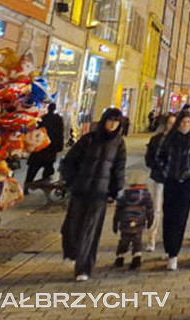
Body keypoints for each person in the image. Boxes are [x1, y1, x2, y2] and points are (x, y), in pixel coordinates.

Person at [60, 107, 127, 281]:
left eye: (116, 121)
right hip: (80, 189)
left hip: (100, 193)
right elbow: (69, 161)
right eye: (110, 120)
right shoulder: (88, 139)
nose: (112, 124)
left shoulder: (118, 143)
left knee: (90, 230)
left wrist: (116, 190)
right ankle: (72, 253)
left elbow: (119, 169)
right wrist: (70, 181)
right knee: (72, 228)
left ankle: (84, 268)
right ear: (104, 120)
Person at [158, 111, 190, 271]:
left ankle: (174, 253)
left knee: (181, 216)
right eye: (182, 122)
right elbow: (160, 157)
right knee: (168, 215)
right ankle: (167, 246)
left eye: (187, 122)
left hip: (187, 182)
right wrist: (166, 171)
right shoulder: (169, 138)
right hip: (171, 181)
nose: (185, 125)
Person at [145, 113, 175, 252]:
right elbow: (149, 157)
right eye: (170, 123)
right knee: (155, 210)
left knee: (169, 211)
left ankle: (167, 241)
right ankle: (151, 239)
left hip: (173, 180)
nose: (172, 126)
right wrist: (157, 166)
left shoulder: (180, 140)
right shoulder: (156, 139)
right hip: (157, 178)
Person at [24, 102, 65, 192]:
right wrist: (59, 146)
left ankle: (26, 186)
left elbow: (36, 130)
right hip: (51, 148)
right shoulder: (58, 119)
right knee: (48, 169)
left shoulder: (43, 118)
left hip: (40, 146)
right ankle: (46, 189)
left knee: (32, 169)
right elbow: (60, 134)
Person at [113, 182, 153, 270]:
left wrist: (115, 223)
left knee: (124, 240)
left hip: (124, 221)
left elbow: (118, 210)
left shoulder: (123, 194)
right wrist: (150, 220)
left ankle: (120, 257)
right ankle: (136, 257)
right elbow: (149, 209)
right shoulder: (145, 194)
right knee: (137, 240)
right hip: (139, 221)